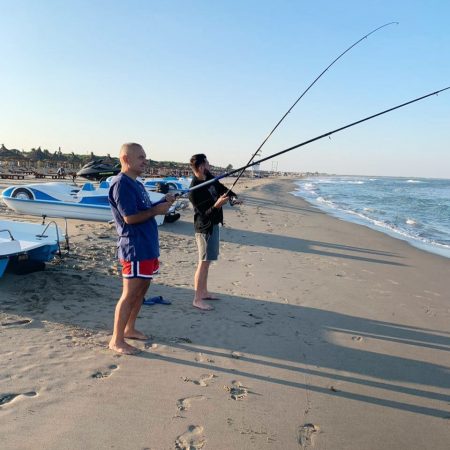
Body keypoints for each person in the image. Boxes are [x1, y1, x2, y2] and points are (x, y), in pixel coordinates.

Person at [108, 143, 175, 354]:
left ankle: (130, 329)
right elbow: (129, 218)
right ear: (126, 159)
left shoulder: (136, 183)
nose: (145, 161)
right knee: (129, 294)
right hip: (134, 247)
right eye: (141, 158)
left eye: (145, 157)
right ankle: (116, 340)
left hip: (147, 247)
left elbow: (145, 209)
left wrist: (164, 202)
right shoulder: (121, 184)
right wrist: (157, 211)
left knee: (141, 292)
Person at [188, 154, 241, 311]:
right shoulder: (194, 190)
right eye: (207, 163)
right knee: (203, 263)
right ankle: (197, 299)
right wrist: (217, 205)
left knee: (208, 261)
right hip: (204, 228)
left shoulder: (209, 178)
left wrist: (232, 198)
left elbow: (222, 189)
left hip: (214, 225)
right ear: (201, 166)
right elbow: (204, 214)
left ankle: (204, 292)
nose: (210, 165)